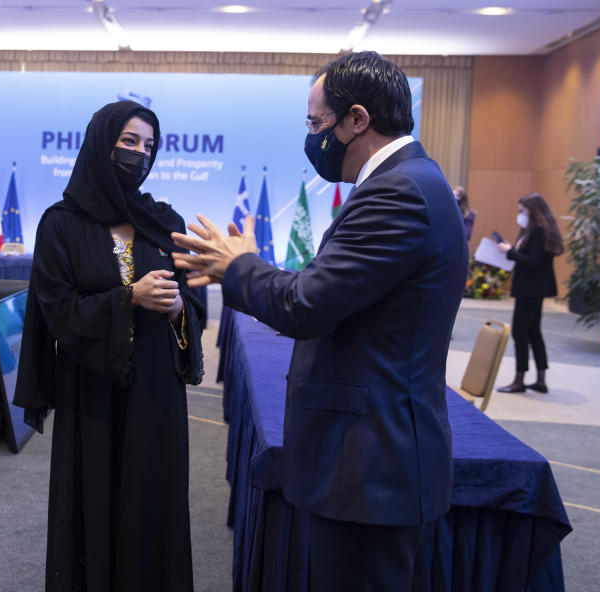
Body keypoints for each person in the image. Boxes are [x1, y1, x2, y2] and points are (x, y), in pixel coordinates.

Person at [171, 51, 468, 591]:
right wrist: (251, 268)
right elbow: (336, 293)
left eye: (315, 123)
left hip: (369, 463)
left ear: (356, 119)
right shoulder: (407, 182)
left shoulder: (398, 192)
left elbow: (305, 305)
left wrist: (238, 267)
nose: (310, 137)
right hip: (367, 458)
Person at [14, 100, 205, 592]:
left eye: (148, 146)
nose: (140, 154)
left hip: (157, 393)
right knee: (93, 502)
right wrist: (129, 298)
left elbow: (192, 306)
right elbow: (58, 310)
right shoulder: (61, 224)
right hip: (92, 393)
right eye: (128, 142)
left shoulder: (165, 222)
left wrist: (177, 310)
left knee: (152, 500)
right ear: (102, 144)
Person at [496, 193, 564, 394]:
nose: (520, 214)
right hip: (532, 287)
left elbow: (533, 262)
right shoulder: (534, 230)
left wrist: (509, 251)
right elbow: (529, 256)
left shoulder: (539, 231)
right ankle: (540, 379)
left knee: (520, 332)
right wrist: (512, 249)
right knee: (534, 332)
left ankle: (519, 380)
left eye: (522, 210)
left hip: (531, 288)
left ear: (532, 211)